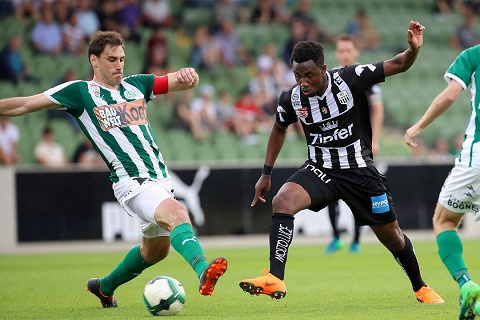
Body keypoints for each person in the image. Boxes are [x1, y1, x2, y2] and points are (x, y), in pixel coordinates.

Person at [0, 30, 227, 308]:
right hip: (131, 181)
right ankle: (203, 269)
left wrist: (190, 75)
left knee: (155, 252)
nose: (119, 64)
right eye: (111, 59)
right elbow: (23, 105)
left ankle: (104, 287)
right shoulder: (80, 93)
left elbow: (180, 83)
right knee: (178, 213)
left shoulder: (137, 85)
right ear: (94, 61)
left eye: (121, 58)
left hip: (159, 180)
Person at [239, 21, 444, 305]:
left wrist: (413, 49)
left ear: (323, 70)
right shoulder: (292, 98)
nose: (303, 82)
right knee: (283, 200)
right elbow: (278, 127)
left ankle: (420, 288)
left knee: (392, 237)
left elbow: (399, 64)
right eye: (298, 76)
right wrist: (266, 173)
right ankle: (275, 277)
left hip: (360, 171)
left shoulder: (350, 78)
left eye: (309, 75)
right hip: (321, 169)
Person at [404, 44, 480, 320]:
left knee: (444, 221)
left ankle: (466, 284)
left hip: (477, 156)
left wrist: (419, 126)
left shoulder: (473, 55)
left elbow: (450, 96)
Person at [325, 34, 385, 254]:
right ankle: (335, 237)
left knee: (358, 192)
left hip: (361, 145)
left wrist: (375, 140)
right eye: (341, 50)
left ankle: (357, 239)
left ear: (356, 52)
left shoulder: (365, 76)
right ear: (336, 53)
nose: (345, 54)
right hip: (337, 145)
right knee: (331, 191)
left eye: (348, 50)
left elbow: (377, 109)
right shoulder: (330, 77)